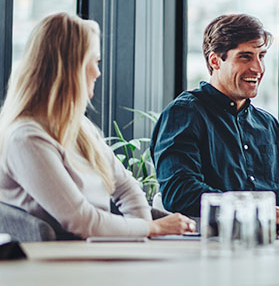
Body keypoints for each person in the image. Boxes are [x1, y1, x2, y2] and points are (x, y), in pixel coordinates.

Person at [0, 13, 194, 238]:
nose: (98, 72)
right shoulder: (26, 139)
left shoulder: (79, 127)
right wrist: (153, 228)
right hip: (56, 264)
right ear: (72, 68)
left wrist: (142, 235)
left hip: (92, 252)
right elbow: (81, 220)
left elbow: (126, 187)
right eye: (95, 61)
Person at [151, 13, 279, 232]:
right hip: (209, 252)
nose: (258, 68)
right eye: (245, 57)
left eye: (261, 56)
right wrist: (259, 210)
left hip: (273, 251)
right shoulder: (184, 114)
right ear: (215, 61)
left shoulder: (269, 125)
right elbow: (180, 193)